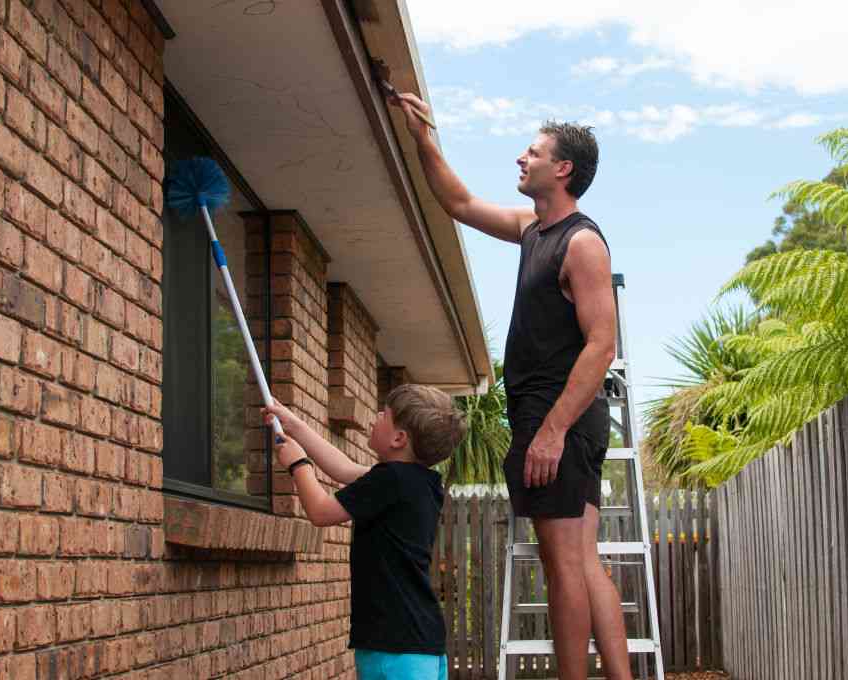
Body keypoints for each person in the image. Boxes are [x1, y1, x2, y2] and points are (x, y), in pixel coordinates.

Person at [390, 93, 629, 680]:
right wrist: (423, 137)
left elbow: (603, 345)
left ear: (563, 169)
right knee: (581, 560)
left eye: (534, 152)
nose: (522, 158)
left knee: (563, 566)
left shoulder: (582, 243)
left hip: (560, 419)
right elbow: (459, 201)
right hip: (552, 418)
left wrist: (551, 433)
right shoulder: (533, 229)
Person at [264, 384, 467, 680]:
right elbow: (343, 468)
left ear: (399, 438)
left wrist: (298, 463)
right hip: (421, 642)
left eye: (384, 414)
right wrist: (293, 424)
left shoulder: (391, 480)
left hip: (393, 645)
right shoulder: (420, 481)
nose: (375, 415)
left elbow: (321, 512)